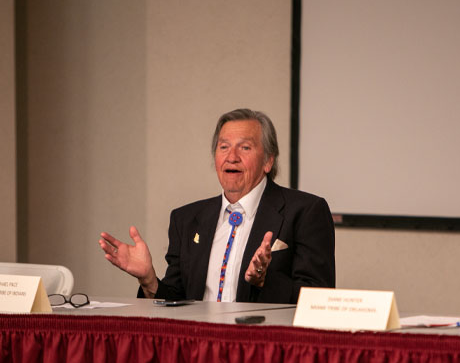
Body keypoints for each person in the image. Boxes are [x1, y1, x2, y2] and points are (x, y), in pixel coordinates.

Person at [100, 108, 335, 303]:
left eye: (245, 147)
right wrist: (149, 280)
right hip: (200, 342)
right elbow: (178, 302)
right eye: (224, 147)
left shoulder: (305, 212)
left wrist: (265, 281)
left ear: (268, 161)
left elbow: (318, 300)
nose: (231, 156)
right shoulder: (186, 219)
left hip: (263, 342)